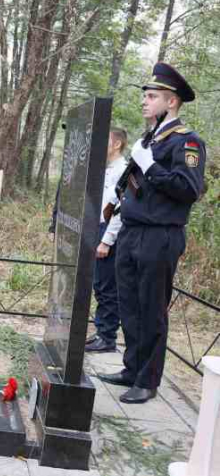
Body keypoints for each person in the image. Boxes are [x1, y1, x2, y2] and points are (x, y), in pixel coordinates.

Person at [98, 63, 206, 404]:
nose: (145, 102)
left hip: (159, 236)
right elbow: (134, 184)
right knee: (129, 305)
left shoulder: (186, 142)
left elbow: (188, 188)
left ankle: (148, 380)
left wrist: (150, 166)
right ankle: (132, 369)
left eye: (152, 96)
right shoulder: (149, 140)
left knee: (150, 308)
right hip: (131, 232)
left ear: (171, 102)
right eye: (144, 95)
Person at [85, 127, 128, 353]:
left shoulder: (124, 170)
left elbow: (120, 210)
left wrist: (107, 240)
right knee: (100, 285)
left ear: (117, 144)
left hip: (111, 232)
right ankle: (101, 332)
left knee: (107, 286)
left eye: (105, 141)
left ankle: (107, 337)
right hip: (98, 227)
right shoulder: (106, 169)